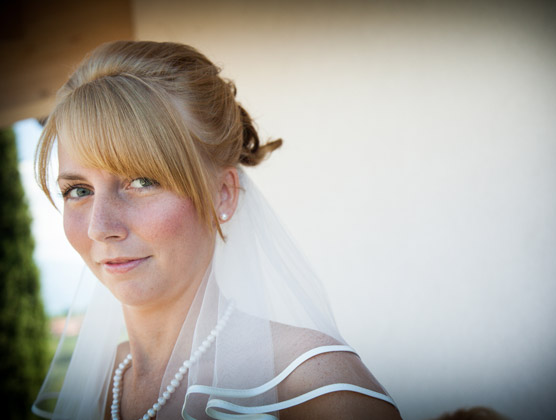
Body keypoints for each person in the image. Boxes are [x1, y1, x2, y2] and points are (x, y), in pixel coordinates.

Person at [31, 41, 401, 420]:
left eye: (142, 181)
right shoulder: (97, 382)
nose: (99, 227)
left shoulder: (316, 389)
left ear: (223, 194)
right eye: (78, 191)